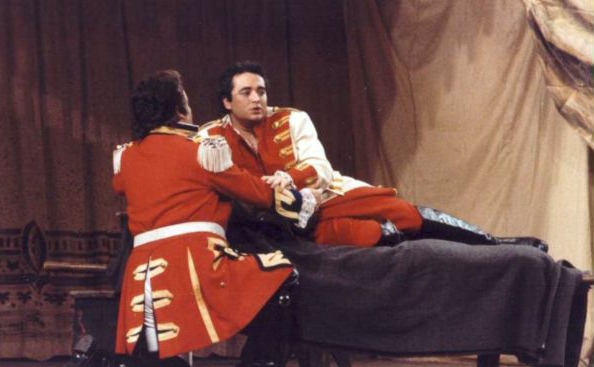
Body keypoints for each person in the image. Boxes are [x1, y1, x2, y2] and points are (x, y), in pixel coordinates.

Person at [54, 69, 316, 367]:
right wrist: (304, 200)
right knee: (283, 275)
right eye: (187, 103)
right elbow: (258, 194)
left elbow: (126, 185)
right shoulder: (203, 151)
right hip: (194, 266)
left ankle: (100, 365)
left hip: (142, 283)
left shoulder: (127, 156)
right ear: (179, 110)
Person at [198, 61, 547, 250]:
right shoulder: (211, 137)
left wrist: (290, 178)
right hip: (276, 219)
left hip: (322, 197)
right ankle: (390, 236)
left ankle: (494, 244)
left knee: (402, 212)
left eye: (261, 91)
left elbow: (319, 166)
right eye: (246, 92)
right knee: (366, 234)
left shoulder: (292, 118)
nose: (257, 99)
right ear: (227, 101)